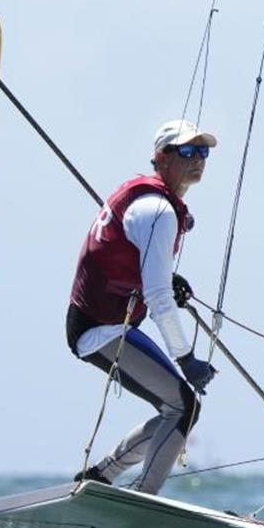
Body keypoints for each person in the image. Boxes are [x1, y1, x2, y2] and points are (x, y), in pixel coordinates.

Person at [65, 119, 219, 494]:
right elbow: (158, 298)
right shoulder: (158, 210)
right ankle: (143, 497)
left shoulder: (153, 203)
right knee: (183, 407)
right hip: (100, 327)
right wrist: (186, 359)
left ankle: (102, 476)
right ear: (161, 158)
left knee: (176, 408)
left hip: (100, 322)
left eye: (203, 151)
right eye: (186, 151)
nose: (198, 159)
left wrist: (167, 276)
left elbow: (142, 265)